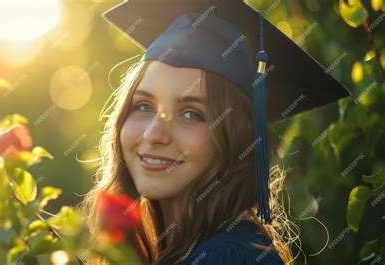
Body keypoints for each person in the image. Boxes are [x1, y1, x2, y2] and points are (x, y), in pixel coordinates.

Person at [81, 0, 350, 264]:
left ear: (235, 138)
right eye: (143, 106)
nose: (153, 134)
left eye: (191, 113)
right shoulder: (181, 250)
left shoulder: (227, 256)